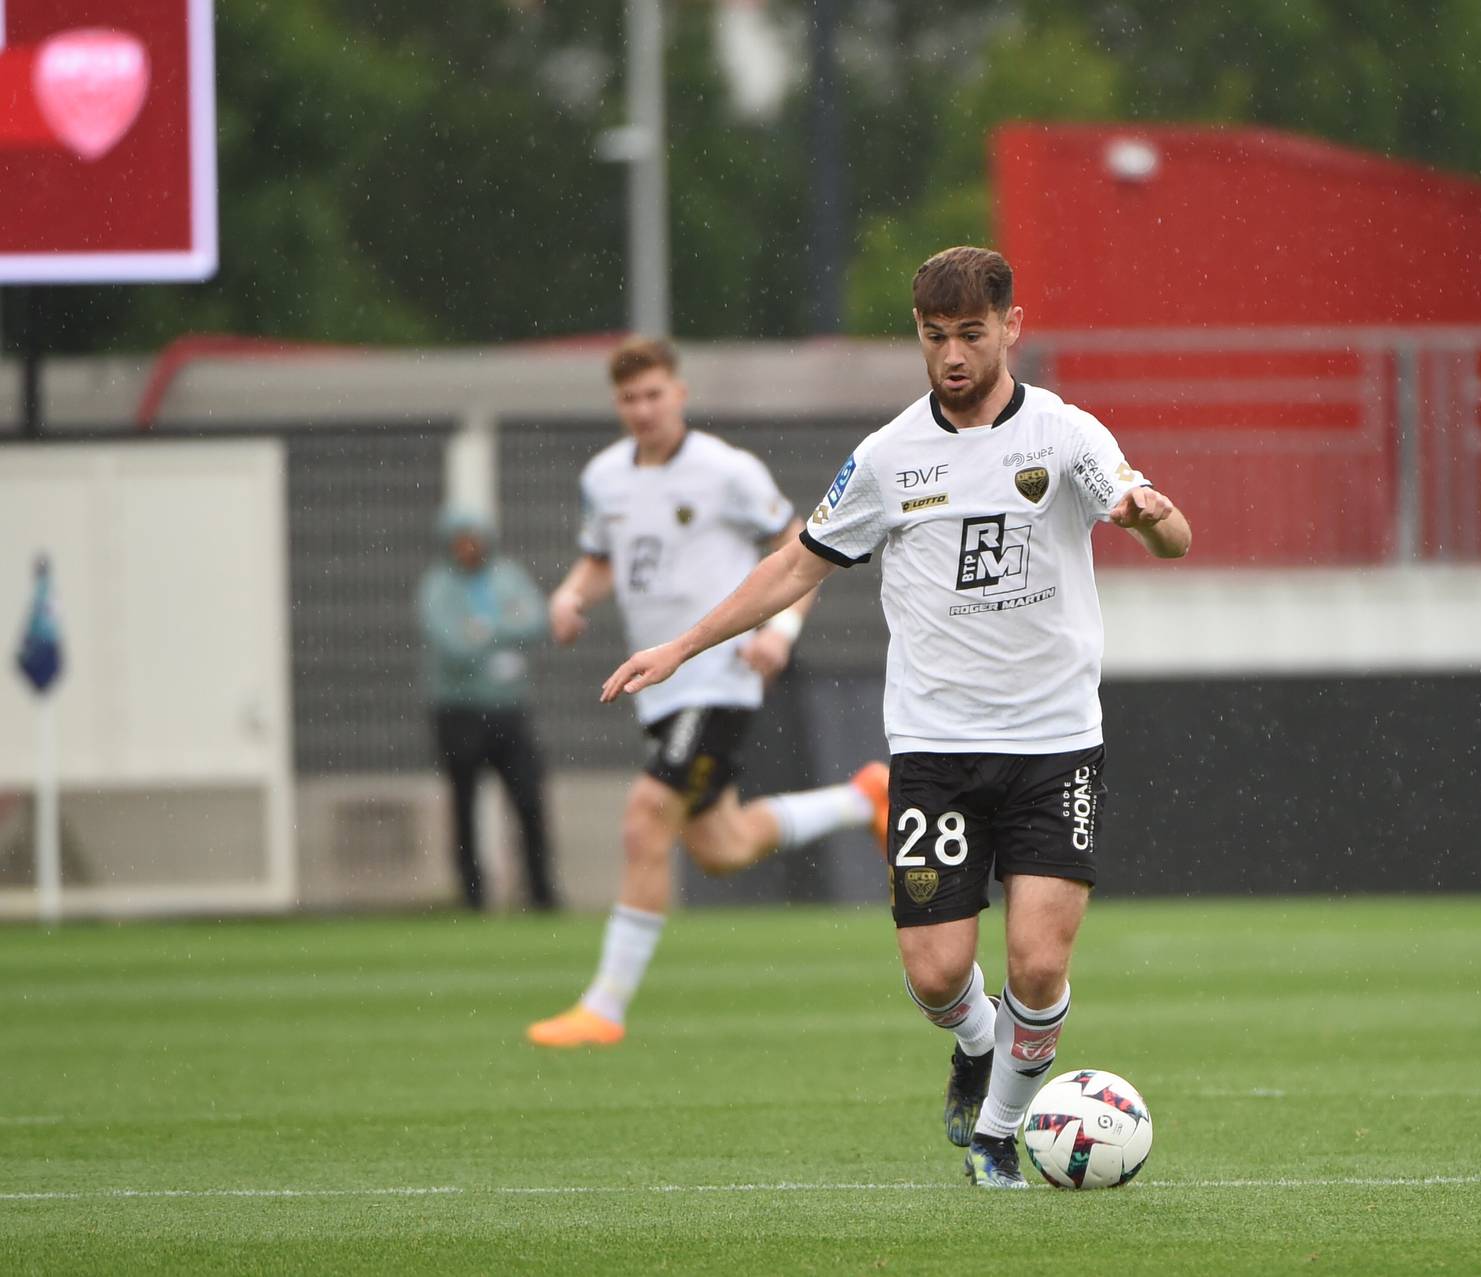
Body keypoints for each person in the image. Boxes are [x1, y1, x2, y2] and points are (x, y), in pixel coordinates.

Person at [596, 248, 1191, 1186]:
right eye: (934, 335)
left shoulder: (1067, 433)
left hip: (1056, 744)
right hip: (936, 748)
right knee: (936, 972)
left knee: (1038, 965)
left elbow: (1171, 537)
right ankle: (976, 1045)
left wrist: (1150, 517)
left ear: (1011, 327)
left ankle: (996, 1135)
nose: (952, 355)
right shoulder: (886, 457)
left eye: (971, 334)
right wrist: (684, 644)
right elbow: (794, 565)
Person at [526, 337, 890, 1049]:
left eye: (654, 394)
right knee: (721, 845)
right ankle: (863, 797)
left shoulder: (727, 470)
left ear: (680, 394)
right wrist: (570, 595)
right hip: (658, 688)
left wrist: (781, 630)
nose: (643, 409)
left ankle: (604, 1006)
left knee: (645, 817)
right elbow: (605, 560)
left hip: (717, 676)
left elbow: (801, 546)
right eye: (629, 398)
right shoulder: (604, 477)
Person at [418, 509, 559, 911]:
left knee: (528, 797)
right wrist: (503, 633)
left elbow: (536, 620)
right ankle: (472, 895)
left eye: (474, 539)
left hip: (509, 708)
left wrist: (485, 630)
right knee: (465, 803)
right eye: (460, 540)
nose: (468, 548)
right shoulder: (438, 586)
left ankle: (541, 892)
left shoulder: (507, 576)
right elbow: (451, 644)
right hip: (459, 710)